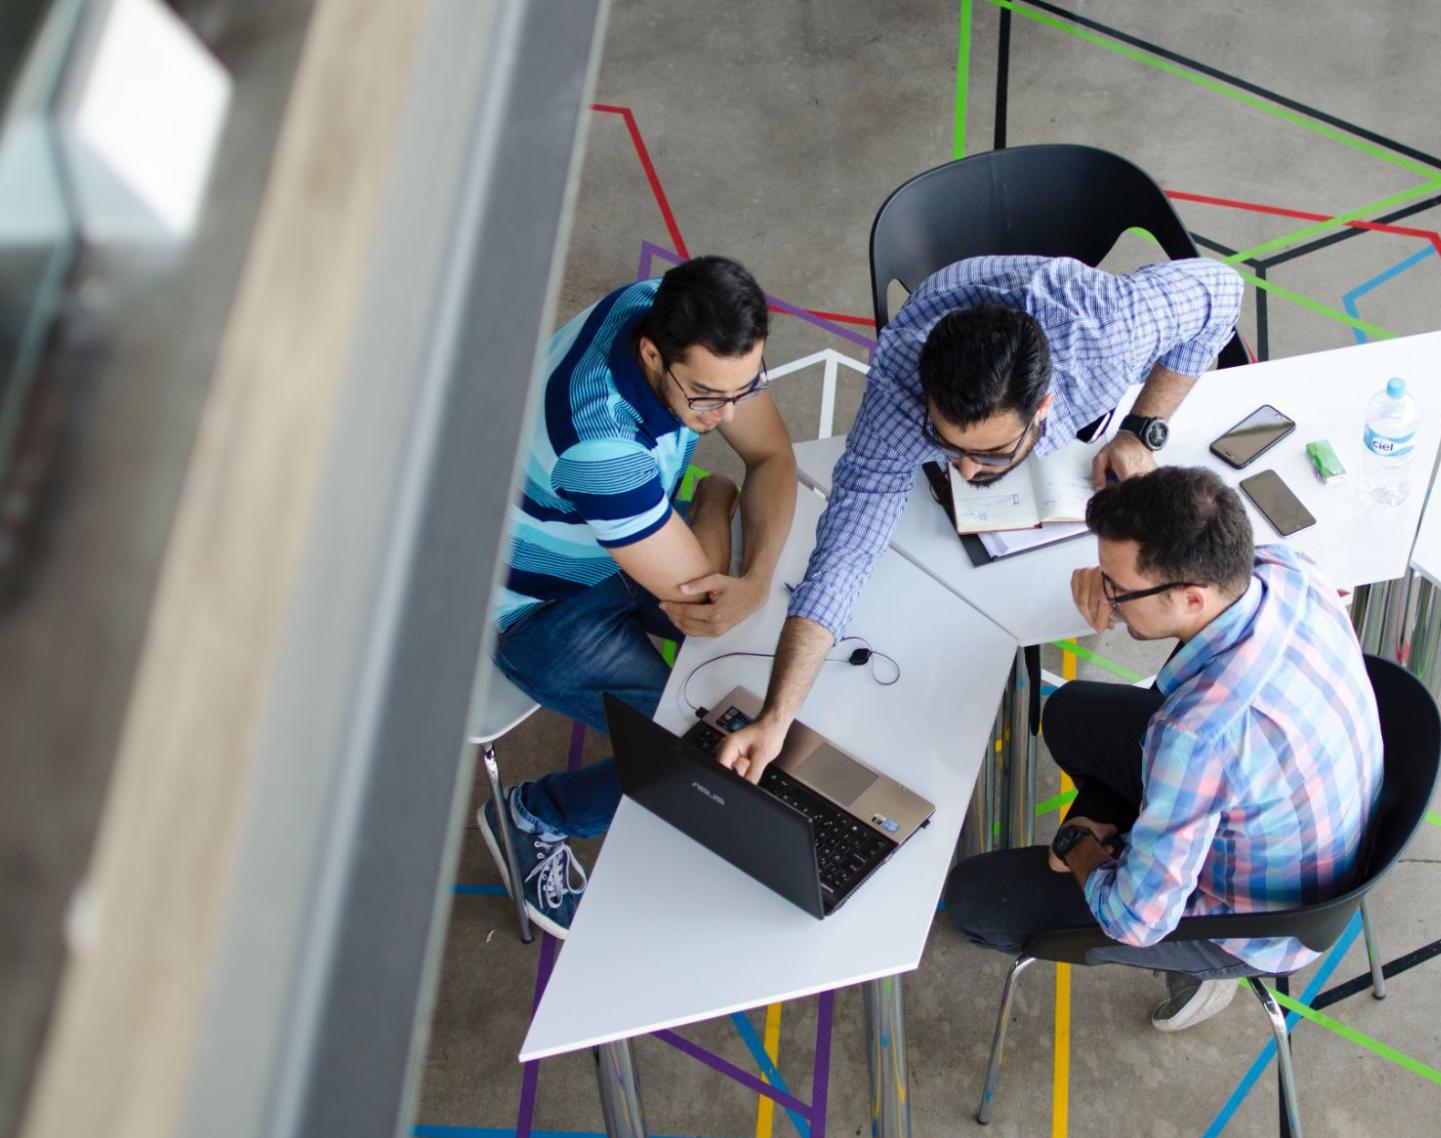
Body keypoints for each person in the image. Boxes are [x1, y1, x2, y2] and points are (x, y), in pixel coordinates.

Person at [713, 254, 1244, 783]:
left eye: (990, 454)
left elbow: (1223, 291)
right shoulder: (899, 391)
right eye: (946, 445)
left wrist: (1142, 427)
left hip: (1068, 313)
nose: (964, 471)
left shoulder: (1108, 331)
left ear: (1044, 408)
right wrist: (777, 715)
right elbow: (843, 554)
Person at [943, 467, 1385, 1031]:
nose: (1107, 597)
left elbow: (1134, 919)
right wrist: (1108, 579)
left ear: (1191, 596)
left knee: (974, 898)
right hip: (1312, 824)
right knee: (1070, 713)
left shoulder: (1196, 734)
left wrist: (1080, 844)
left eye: (1117, 588)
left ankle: (1200, 972)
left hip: (1256, 923)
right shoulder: (1286, 570)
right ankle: (1144, 841)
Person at [479, 256, 797, 937]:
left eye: (746, 389)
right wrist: (713, 501)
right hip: (538, 607)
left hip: (620, 540)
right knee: (690, 750)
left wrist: (758, 577)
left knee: (758, 651)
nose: (728, 414)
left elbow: (771, 457)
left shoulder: (668, 308)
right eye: (708, 397)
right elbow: (706, 604)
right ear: (652, 354)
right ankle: (535, 815)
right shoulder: (602, 448)